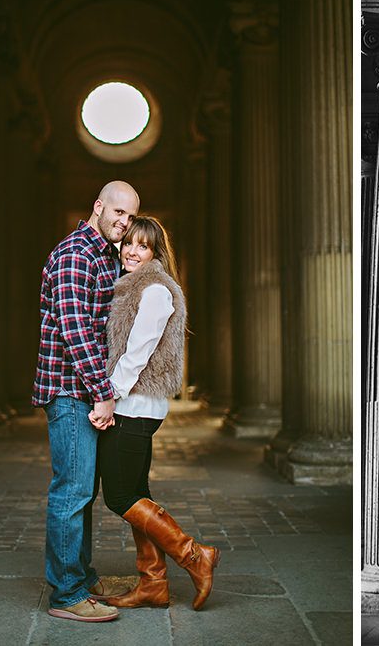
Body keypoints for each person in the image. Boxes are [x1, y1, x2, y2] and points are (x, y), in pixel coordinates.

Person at [95, 216, 221, 611]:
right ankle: (153, 583)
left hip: (133, 406)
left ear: (155, 253)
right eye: (129, 243)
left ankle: (194, 555)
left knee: (119, 496)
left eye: (143, 246)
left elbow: (138, 352)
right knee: (137, 493)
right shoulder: (133, 286)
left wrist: (108, 395)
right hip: (134, 406)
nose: (132, 251)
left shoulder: (154, 290)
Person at [33, 180, 140, 622]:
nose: (124, 222)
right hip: (70, 390)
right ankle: (66, 594)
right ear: (98, 207)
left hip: (84, 390)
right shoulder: (76, 253)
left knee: (82, 492)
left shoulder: (104, 255)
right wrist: (103, 393)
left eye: (131, 216)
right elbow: (76, 332)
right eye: (118, 212)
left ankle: (80, 574)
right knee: (71, 491)